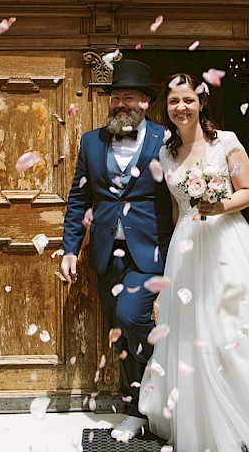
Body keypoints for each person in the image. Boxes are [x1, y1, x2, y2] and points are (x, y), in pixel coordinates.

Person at [139, 73, 249, 451]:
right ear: (166, 108)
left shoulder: (227, 143)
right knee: (189, 330)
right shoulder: (166, 153)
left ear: (202, 103)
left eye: (188, 100)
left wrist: (219, 206)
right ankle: (198, 420)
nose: (181, 108)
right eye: (174, 102)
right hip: (188, 244)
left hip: (225, 241)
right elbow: (176, 210)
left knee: (230, 328)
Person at [58, 59, 174, 443]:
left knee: (131, 315)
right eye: (115, 97)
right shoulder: (91, 141)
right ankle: (137, 410)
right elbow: (78, 198)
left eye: (129, 97)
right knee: (121, 336)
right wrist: (70, 249)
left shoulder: (166, 139)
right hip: (106, 253)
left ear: (145, 101)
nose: (120, 103)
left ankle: (164, 377)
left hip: (151, 251)